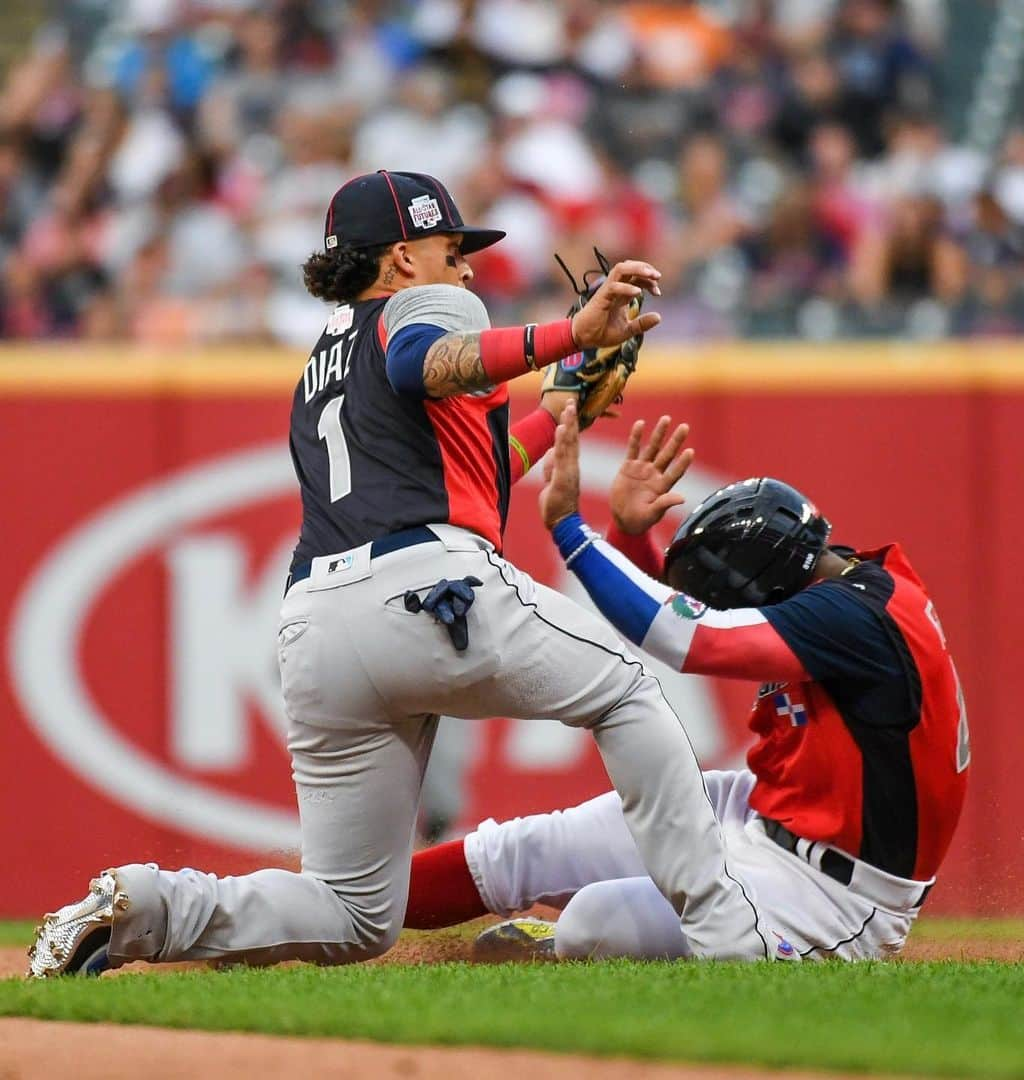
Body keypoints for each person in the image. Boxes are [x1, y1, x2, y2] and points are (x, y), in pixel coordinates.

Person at [29, 171, 785, 978]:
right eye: (449, 250)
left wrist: (566, 408)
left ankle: (142, 906)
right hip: (425, 588)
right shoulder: (422, 309)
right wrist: (568, 335)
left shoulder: (320, 366)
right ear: (398, 259)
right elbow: (422, 362)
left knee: (352, 914)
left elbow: (475, 478)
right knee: (629, 692)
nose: (464, 270)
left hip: (318, 627)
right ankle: (729, 939)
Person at [404, 411, 970, 961]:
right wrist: (628, 536)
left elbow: (698, 638)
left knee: (592, 921)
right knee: (520, 851)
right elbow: (698, 618)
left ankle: (576, 949)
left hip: (834, 894)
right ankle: (339, 907)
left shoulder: (858, 618)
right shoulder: (837, 585)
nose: (733, 610)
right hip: (758, 812)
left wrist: (573, 535)